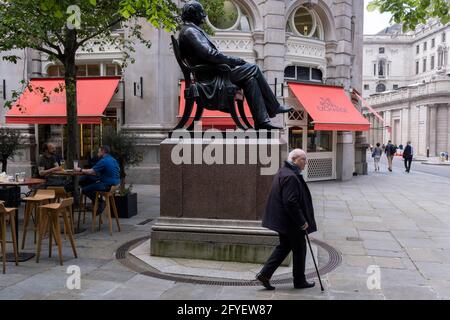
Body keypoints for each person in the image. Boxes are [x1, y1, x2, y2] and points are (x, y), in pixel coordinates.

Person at [178, 1, 292, 130]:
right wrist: (235, 60)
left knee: (251, 79)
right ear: (194, 14)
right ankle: (274, 107)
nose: (204, 16)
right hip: (212, 79)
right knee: (253, 69)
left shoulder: (191, 30)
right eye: (201, 13)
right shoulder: (190, 32)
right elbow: (211, 55)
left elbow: (209, 56)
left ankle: (262, 122)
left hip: (215, 74)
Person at [256, 149, 317, 290]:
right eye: (303, 159)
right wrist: (302, 221)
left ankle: (264, 274)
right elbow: (290, 202)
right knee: (300, 249)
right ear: (295, 159)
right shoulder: (290, 176)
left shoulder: (285, 172)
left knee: (284, 247)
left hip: (284, 221)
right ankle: (300, 281)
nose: (306, 163)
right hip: (291, 222)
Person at [76, 145, 120, 215]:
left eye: (98, 152)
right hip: (115, 184)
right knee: (91, 184)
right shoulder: (113, 160)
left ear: (103, 152)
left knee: (84, 189)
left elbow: (91, 171)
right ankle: (96, 204)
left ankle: (100, 202)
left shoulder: (104, 161)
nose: (97, 153)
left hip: (107, 185)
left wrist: (80, 169)